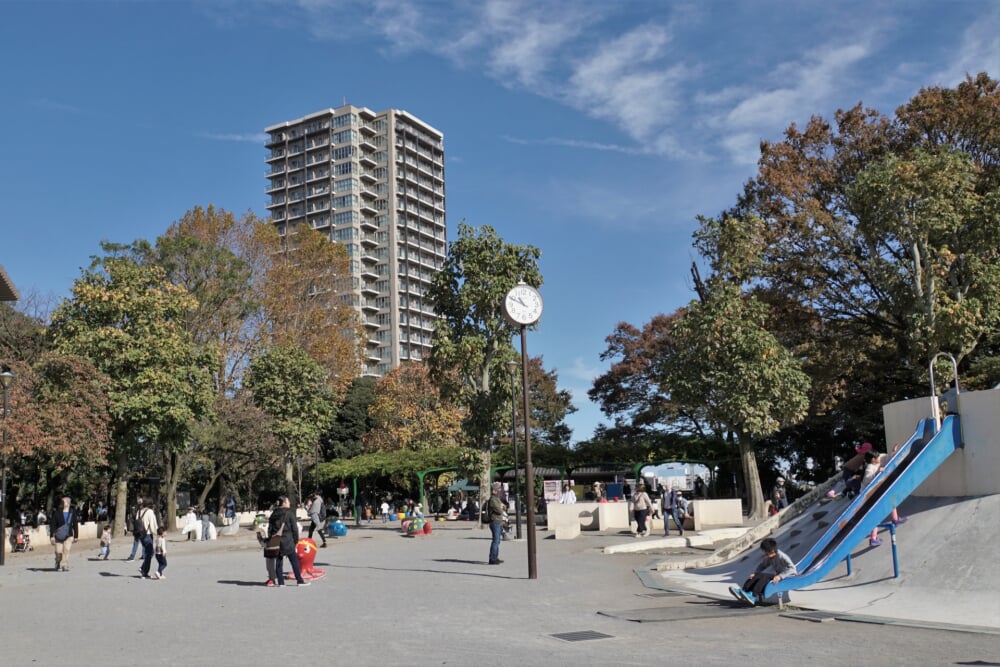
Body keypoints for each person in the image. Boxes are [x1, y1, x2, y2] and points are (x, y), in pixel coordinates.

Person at [729, 537, 797, 606]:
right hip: (778, 576)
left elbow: (792, 569)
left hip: (787, 577)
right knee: (757, 575)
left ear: (772, 550)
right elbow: (762, 566)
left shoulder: (782, 556)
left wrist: (780, 576)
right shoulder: (770, 557)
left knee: (765, 576)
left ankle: (753, 595)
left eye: (766, 552)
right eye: (765, 552)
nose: (765, 554)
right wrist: (755, 573)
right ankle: (743, 591)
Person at [862, 451, 907, 547]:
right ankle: (873, 538)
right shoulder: (870, 467)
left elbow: (886, 459)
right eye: (877, 457)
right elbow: (867, 478)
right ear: (872, 459)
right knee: (876, 516)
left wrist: (893, 453)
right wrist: (877, 472)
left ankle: (896, 520)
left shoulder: (876, 464)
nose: (879, 458)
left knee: (891, 501)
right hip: (869, 496)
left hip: (875, 493)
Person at [267, 495, 310, 587]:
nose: (289, 503)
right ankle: (299, 580)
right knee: (294, 561)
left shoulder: (273, 514)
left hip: (276, 541)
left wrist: (271, 539)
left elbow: (269, 529)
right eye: (288, 501)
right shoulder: (289, 513)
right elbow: (294, 529)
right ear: (284, 503)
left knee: (279, 562)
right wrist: (295, 541)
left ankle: (281, 582)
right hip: (288, 540)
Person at [48, 496, 79, 571]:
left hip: (69, 535)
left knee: (66, 550)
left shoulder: (72, 512)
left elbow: (75, 524)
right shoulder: (57, 512)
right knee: (58, 552)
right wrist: (52, 536)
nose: (62, 503)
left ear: (68, 503)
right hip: (58, 536)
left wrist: (76, 536)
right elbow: (53, 525)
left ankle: (64, 565)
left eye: (63, 501)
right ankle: (58, 562)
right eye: (62, 501)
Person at [135, 498, 158, 579]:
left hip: (140, 534)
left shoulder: (139, 511)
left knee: (150, 552)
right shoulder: (150, 512)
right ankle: (144, 572)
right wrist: (156, 533)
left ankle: (142, 568)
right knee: (149, 554)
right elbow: (152, 525)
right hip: (147, 534)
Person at [487, 482, 506, 565]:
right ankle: (492, 559)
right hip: (495, 522)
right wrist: (501, 507)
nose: (500, 491)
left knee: (497, 541)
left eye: (500, 489)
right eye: (498, 489)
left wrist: (502, 506)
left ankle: (495, 557)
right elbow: (499, 510)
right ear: (494, 491)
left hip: (498, 521)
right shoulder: (493, 499)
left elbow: (504, 507)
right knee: (495, 540)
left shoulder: (497, 498)